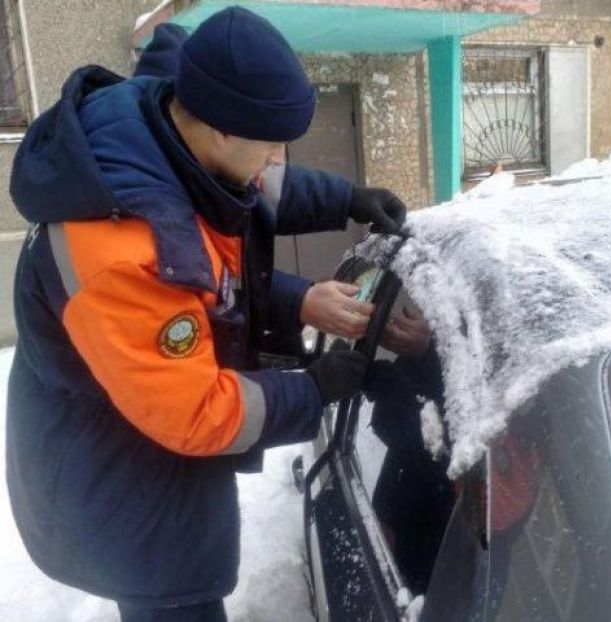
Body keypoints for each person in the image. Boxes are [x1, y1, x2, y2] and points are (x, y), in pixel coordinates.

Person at [6, 7, 406, 622]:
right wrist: (311, 391)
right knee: (178, 601)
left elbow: (248, 198)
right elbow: (193, 410)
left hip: (143, 445)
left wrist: (346, 201)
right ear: (219, 131)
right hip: (118, 485)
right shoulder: (122, 248)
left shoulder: (166, 127)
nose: (277, 159)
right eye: (271, 143)